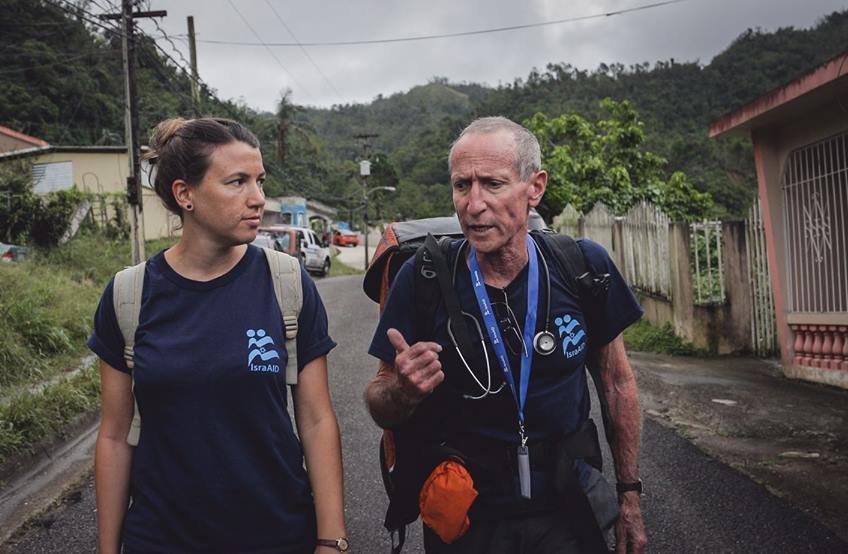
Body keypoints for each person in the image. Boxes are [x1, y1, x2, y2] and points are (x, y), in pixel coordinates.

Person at [365, 117, 647, 553]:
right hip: (464, 516)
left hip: (567, 508)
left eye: (492, 184)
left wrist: (630, 496)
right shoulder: (421, 279)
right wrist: (403, 390)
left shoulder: (582, 267)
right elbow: (379, 401)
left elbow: (616, 384)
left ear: (534, 188)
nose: (473, 204)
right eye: (462, 186)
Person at [91, 117, 347, 553]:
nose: (258, 200)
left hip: (275, 535)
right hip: (161, 538)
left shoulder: (284, 282)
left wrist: (331, 540)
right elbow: (114, 436)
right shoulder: (129, 295)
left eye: (260, 181)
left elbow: (317, 420)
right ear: (184, 194)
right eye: (237, 182)